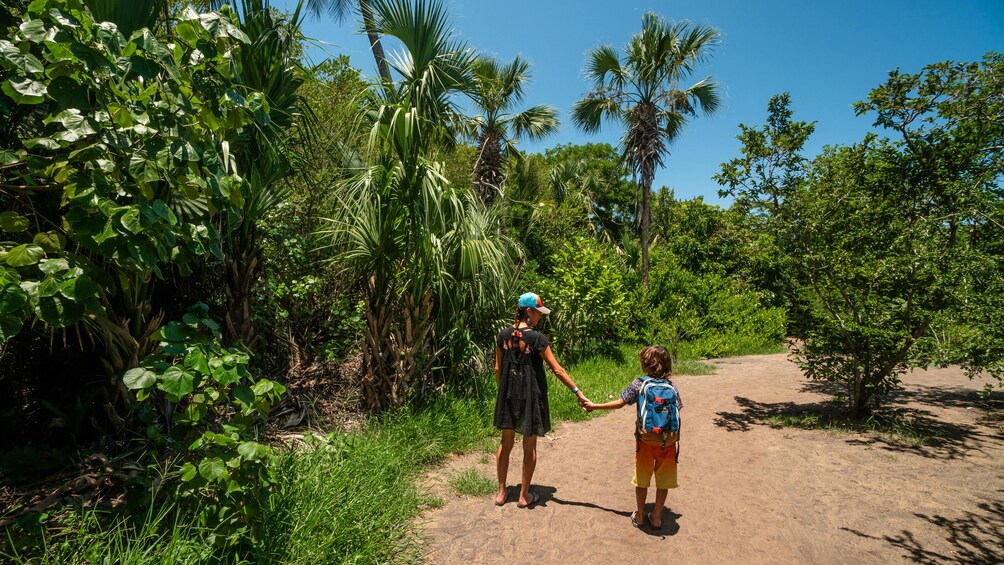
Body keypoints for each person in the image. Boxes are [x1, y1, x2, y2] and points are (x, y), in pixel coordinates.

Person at [494, 292, 588, 508]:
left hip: (508, 396)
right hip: (531, 397)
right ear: (528, 312)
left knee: (505, 443)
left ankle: (501, 493)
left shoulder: (502, 336)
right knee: (530, 446)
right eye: (538, 313)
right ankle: (523, 496)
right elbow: (558, 370)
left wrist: (503, 391)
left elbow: (498, 368)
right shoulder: (537, 339)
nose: (540, 318)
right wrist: (577, 392)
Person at [585, 345, 682, 529]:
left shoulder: (639, 383)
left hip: (645, 440)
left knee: (642, 478)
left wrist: (594, 406)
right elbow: (678, 409)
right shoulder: (672, 386)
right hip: (668, 442)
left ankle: (640, 516)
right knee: (664, 480)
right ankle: (657, 517)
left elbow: (620, 403)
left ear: (647, 364)